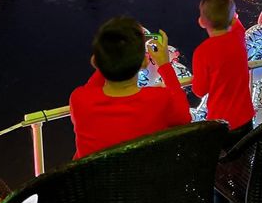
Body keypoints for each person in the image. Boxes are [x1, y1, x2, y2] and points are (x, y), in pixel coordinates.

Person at [70, 16, 191, 158]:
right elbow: (184, 118)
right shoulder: (158, 98)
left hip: (96, 179)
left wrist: (110, 56)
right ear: (144, 62)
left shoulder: (79, 99)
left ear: (94, 61)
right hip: (146, 178)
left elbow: (91, 88)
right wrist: (164, 65)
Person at [192, 0, 255, 203]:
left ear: (201, 21)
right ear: (232, 19)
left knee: (218, 173)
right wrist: (231, 16)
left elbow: (200, 89)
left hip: (221, 124)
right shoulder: (238, 37)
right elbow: (236, 21)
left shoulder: (203, 52)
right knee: (241, 168)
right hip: (245, 119)